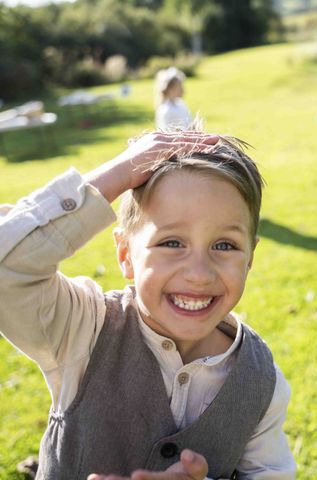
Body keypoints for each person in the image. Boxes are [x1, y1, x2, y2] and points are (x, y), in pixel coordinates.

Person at [0, 131, 296, 479]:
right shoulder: (82, 329)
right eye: (172, 242)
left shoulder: (260, 379)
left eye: (225, 246)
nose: (199, 274)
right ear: (125, 254)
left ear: (250, 257)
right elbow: (8, 266)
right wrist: (116, 176)